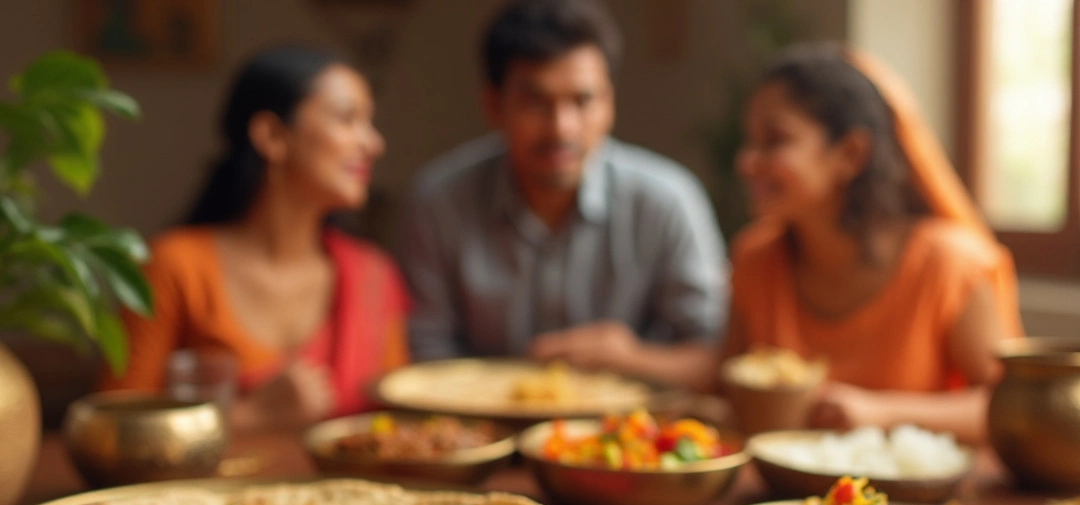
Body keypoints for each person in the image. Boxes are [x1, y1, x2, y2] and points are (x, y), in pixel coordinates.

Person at [397, 0, 728, 390]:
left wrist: (630, 357)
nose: (561, 128)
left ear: (609, 104)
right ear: (493, 105)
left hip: (628, 440)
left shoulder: (667, 201)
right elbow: (422, 359)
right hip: (478, 438)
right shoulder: (439, 203)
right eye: (535, 102)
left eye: (583, 101)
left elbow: (714, 359)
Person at [101, 46, 409, 431]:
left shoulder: (373, 276)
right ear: (273, 136)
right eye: (347, 119)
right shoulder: (174, 266)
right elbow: (113, 431)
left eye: (369, 122)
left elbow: (396, 430)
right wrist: (250, 416)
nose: (373, 144)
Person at [727, 44, 1022, 443]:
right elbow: (724, 379)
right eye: (750, 141)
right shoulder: (754, 258)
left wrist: (880, 413)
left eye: (775, 141)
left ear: (850, 153)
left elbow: (1012, 408)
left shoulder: (950, 264)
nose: (747, 161)